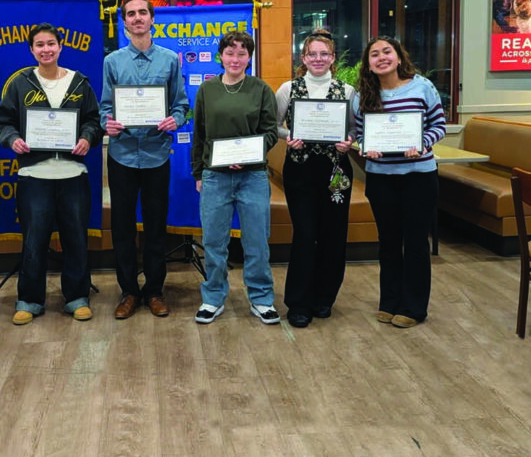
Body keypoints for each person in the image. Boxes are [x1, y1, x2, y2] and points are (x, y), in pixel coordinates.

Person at [0, 24, 103, 325]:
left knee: (76, 239)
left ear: (60, 47)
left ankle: (77, 297)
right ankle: (29, 300)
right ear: (31, 50)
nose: (46, 49)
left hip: (73, 173)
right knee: (33, 240)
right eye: (39, 45)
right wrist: (12, 139)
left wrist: (87, 138)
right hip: (34, 174)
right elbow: (3, 122)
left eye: (51, 44)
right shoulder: (20, 84)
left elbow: (94, 121)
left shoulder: (79, 83)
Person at [100, 0, 190, 320]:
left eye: (143, 13)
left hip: (156, 155)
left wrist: (175, 119)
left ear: (152, 19)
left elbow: (182, 104)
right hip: (122, 154)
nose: (137, 18)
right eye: (131, 14)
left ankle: (154, 291)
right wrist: (106, 124)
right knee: (122, 227)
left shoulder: (169, 60)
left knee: (155, 226)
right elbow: (104, 107)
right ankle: (128, 292)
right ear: (123, 21)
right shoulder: (111, 62)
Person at [352, 37, 446, 329]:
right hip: (381, 178)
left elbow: (438, 125)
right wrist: (366, 146)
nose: (381, 58)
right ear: (368, 63)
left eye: (386, 52)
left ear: (398, 56)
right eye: (374, 55)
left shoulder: (422, 87)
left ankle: (414, 307)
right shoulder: (363, 95)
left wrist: (421, 142)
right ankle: (389, 301)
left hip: (419, 176)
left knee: (416, 243)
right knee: (388, 243)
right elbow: (359, 134)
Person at [191, 31, 279, 325]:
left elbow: (270, 132)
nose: (235, 59)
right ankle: (213, 297)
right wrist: (198, 173)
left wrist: (250, 155)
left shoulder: (261, 89)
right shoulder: (207, 90)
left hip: (253, 176)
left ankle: (262, 298)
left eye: (242, 54)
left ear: (249, 58)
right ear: (221, 56)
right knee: (214, 242)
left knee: (256, 241)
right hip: (214, 177)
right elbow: (199, 136)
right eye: (230, 53)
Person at [275, 29, 355, 328]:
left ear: (332, 58)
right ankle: (299, 302)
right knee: (306, 235)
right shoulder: (288, 89)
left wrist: (349, 141)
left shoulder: (346, 91)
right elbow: (274, 124)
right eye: (312, 54)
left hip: (336, 172)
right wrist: (289, 136)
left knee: (334, 234)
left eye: (324, 54)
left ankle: (325, 297)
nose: (318, 59)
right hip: (300, 170)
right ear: (304, 58)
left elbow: (355, 129)